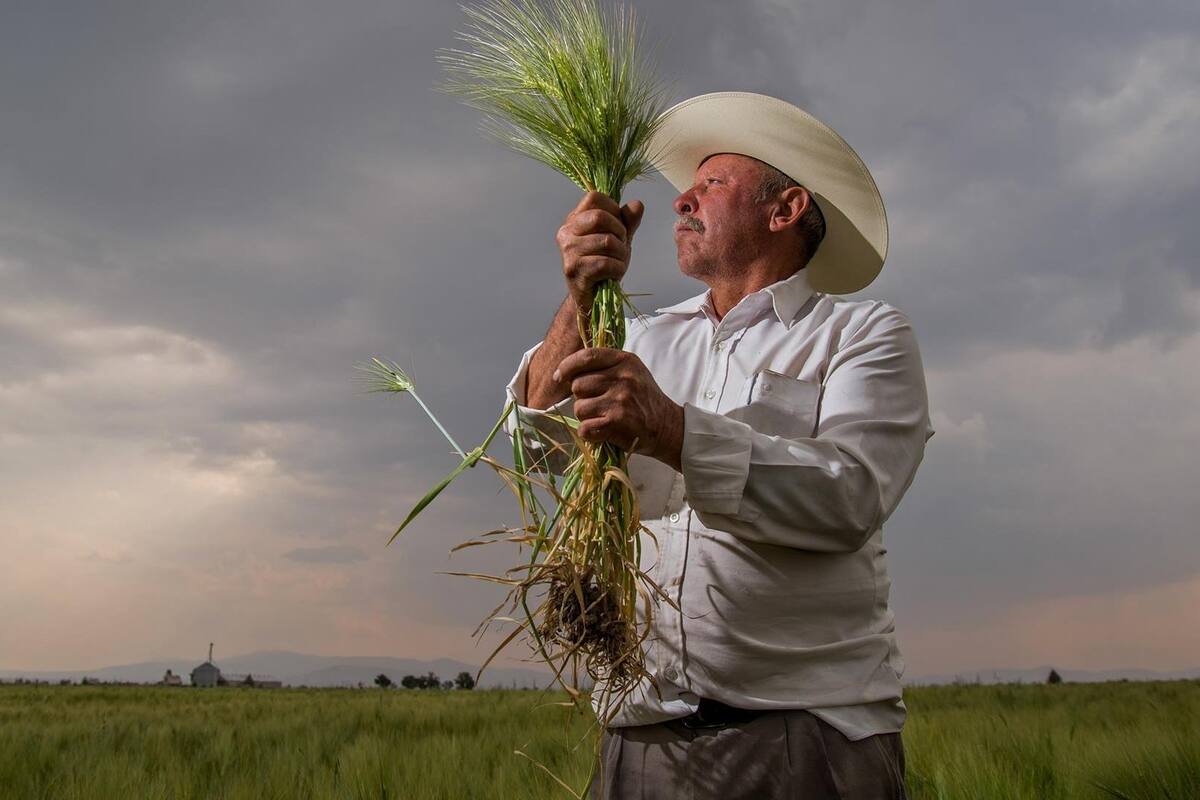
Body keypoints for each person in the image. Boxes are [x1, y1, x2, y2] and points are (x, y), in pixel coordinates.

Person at [503, 92, 934, 799]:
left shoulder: (862, 335)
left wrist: (670, 429)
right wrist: (581, 297)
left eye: (711, 183)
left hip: (805, 736)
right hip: (640, 734)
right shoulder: (638, 336)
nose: (680, 202)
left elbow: (850, 496)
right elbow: (536, 447)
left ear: (786, 208)